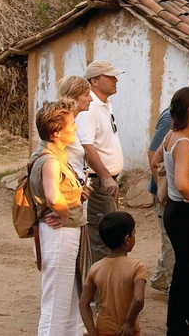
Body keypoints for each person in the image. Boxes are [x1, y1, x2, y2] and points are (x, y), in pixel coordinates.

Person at [147, 74, 189, 292]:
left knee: (177, 249)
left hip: (175, 200)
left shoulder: (181, 132)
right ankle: (172, 291)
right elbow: (155, 159)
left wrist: (187, 160)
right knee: (178, 257)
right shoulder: (175, 127)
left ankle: (162, 281)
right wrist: (164, 191)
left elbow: (162, 157)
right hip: (178, 202)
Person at [32, 100, 90, 336]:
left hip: (62, 234)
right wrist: (65, 212)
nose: (75, 129)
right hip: (59, 234)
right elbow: (54, 198)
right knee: (56, 299)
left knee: (67, 296)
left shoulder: (49, 153)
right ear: (57, 133)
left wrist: (78, 193)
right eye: (72, 124)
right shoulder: (52, 160)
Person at [156, 87, 189, 336]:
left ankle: (185, 322)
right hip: (186, 211)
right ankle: (183, 325)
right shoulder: (184, 141)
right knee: (188, 271)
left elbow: (157, 160)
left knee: (186, 268)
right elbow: (182, 183)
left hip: (174, 211)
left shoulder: (171, 136)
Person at [78, 60, 126, 264]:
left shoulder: (104, 106)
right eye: (110, 76)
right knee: (101, 237)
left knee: (107, 234)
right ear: (95, 81)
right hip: (98, 182)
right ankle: (99, 292)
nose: (115, 80)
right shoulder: (90, 109)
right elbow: (87, 147)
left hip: (107, 181)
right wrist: (106, 177)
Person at [79, 211, 146, 336]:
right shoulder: (137, 267)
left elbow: (83, 304)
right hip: (127, 331)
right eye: (134, 233)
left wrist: (92, 332)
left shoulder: (95, 268)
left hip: (103, 328)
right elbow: (138, 299)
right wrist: (129, 323)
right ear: (127, 239)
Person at [57, 75, 94, 184]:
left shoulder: (71, 121)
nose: (91, 99)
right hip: (66, 192)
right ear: (73, 97)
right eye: (86, 94)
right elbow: (52, 158)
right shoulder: (62, 125)